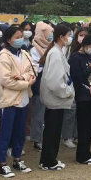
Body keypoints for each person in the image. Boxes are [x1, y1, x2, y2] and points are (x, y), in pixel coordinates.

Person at [0, 26, 37, 178]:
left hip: (24, 99)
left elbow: (33, 71)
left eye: (21, 36)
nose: (20, 39)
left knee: (20, 132)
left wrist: (22, 77)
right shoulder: (4, 57)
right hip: (9, 100)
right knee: (6, 132)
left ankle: (17, 159)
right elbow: (6, 80)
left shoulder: (25, 53)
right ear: (8, 39)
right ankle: (2, 163)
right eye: (16, 37)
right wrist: (26, 83)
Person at [38, 25, 75, 171]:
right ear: (61, 37)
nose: (70, 38)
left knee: (54, 131)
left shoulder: (58, 52)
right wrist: (67, 92)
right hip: (55, 99)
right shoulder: (55, 53)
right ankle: (48, 161)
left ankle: (50, 159)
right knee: (52, 132)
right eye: (68, 35)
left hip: (57, 100)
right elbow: (54, 81)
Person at [69, 34, 91, 165]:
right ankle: (82, 156)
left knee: (88, 127)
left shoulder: (90, 57)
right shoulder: (75, 57)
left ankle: (87, 153)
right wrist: (90, 68)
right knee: (83, 127)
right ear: (85, 44)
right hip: (81, 95)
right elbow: (76, 77)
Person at [29, 21, 53, 152]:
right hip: (39, 84)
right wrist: (47, 66)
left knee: (48, 114)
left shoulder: (51, 47)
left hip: (50, 83)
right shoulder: (34, 49)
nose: (51, 36)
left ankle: (45, 137)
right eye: (49, 33)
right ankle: (36, 139)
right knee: (38, 113)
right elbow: (35, 67)